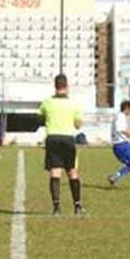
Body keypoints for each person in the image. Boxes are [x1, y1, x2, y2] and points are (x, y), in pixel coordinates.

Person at [39, 73, 85, 215]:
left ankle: (57, 207)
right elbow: (78, 125)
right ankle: (77, 206)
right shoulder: (74, 103)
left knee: (55, 172)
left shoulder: (47, 102)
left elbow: (40, 119)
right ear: (67, 86)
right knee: (72, 171)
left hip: (52, 138)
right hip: (68, 138)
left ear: (55, 86)